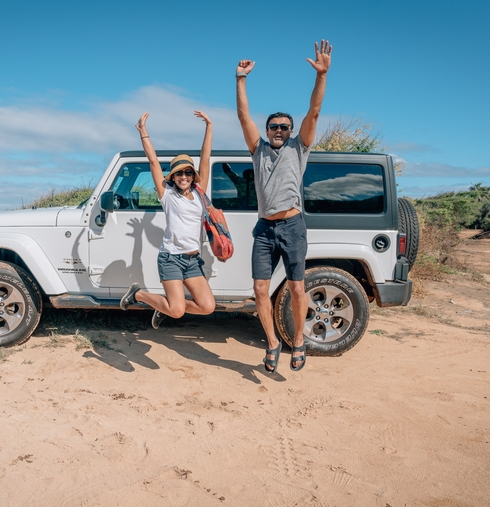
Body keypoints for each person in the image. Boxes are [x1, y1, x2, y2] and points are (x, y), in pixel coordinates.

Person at [235, 39, 333, 373]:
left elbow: (314, 112)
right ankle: (273, 343)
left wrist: (321, 75)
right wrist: (240, 79)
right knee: (259, 289)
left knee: (295, 287)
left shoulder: (298, 148)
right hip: (265, 229)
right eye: (274, 127)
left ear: (291, 131)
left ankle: (299, 341)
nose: (279, 130)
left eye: (284, 127)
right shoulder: (257, 149)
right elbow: (243, 114)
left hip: (292, 226)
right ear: (267, 131)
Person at [119, 111, 216, 329]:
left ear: (193, 175)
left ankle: (163, 306)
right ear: (173, 176)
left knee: (207, 307)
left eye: (188, 173)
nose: (184, 177)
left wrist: (209, 127)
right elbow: (153, 161)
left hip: (192, 261)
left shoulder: (200, 193)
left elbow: (206, 158)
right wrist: (143, 132)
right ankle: (140, 294)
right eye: (179, 173)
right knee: (177, 311)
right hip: (171, 259)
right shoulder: (167, 195)